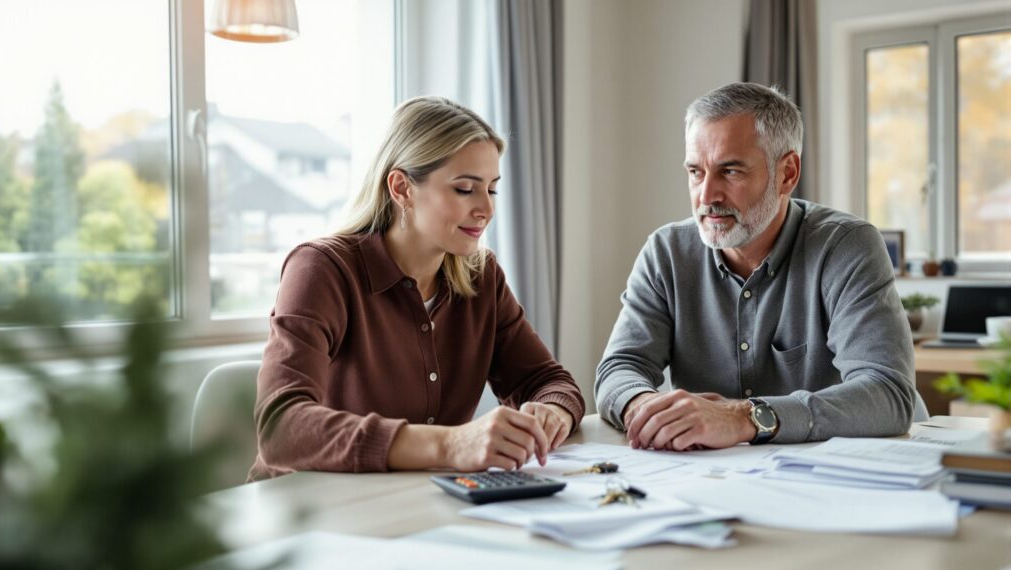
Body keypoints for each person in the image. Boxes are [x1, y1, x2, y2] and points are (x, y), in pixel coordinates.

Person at [249, 96, 584, 480]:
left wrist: (550, 412)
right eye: (464, 189)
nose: (486, 209)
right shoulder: (321, 269)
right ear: (402, 187)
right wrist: (450, 444)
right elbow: (280, 429)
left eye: (491, 189)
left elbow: (549, 382)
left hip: (416, 503)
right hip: (308, 509)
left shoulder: (482, 277)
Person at [595, 82, 915, 451]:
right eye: (696, 172)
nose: (707, 196)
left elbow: (888, 394)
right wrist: (645, 406)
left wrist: (744, 418)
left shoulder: (846, 246)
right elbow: (619, 367)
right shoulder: (666, 252)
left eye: (730, 172)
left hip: (832, 481)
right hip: (712, 478)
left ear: (788, 173)